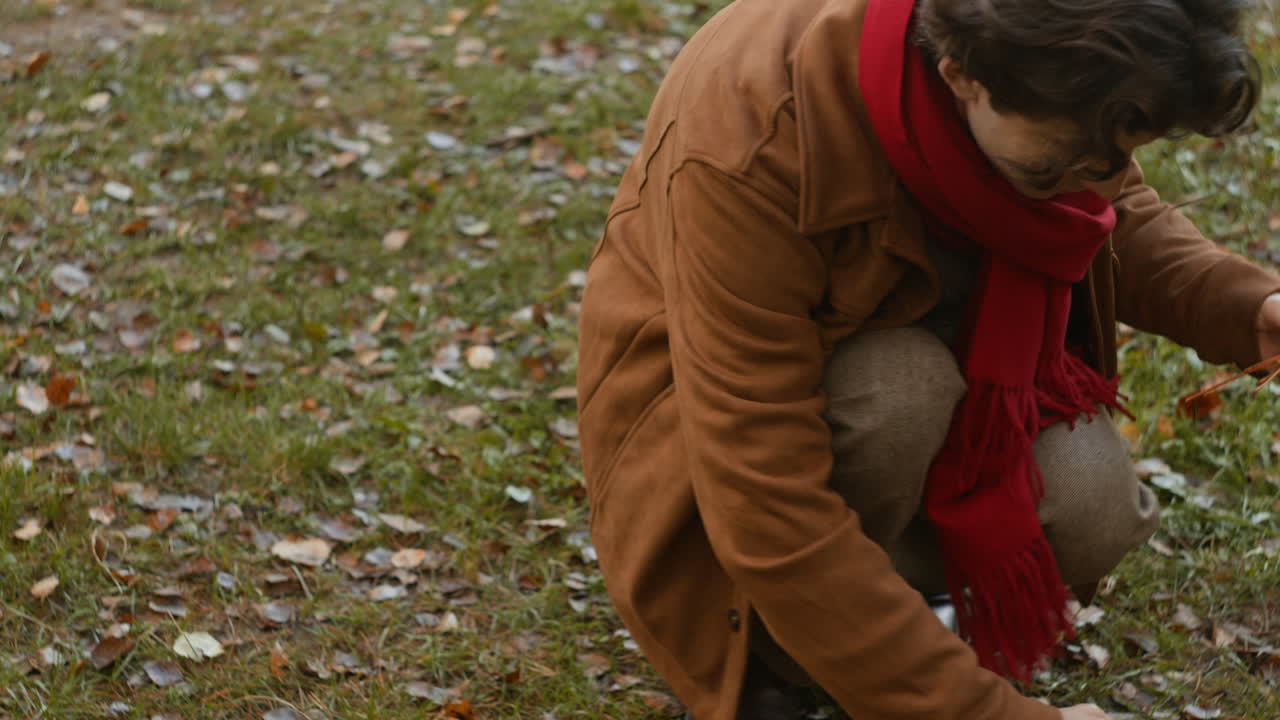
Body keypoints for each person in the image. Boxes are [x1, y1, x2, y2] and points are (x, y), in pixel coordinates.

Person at [575, 0, 1280, 718]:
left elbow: (1107, 203)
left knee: (1091, 506)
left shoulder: (1047, 84)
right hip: (717, 442)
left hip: (947, 360)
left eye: (1120, 155)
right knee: (900, 393)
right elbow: (764, 493)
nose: (1095, 185)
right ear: (962, 76)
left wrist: (1249, 307)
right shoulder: (753, 130)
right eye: (1052, 169)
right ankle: (773, 648)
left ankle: (898, 632)